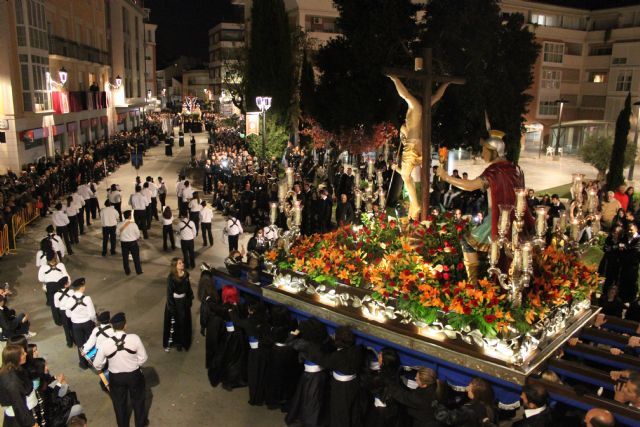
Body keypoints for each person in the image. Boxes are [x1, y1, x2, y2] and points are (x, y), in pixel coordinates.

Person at [437, 130, 534, 283]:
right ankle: (492, 278)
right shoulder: (514, 168)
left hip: (497, 219)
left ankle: (474, 283)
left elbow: (470, 186)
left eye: (484, 150)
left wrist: (446, 177)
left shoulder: (494, 171)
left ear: (493, 152)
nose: (482, 153)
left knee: (468, 243)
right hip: (516, 219)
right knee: (501, 252)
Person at [93, 312, 149, 427]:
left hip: (116, 378)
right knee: (138, 400)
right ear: (125, 325)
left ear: (112, 327)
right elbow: (143, 358)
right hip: (134, 375)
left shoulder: (105, 344)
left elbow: (97, 364)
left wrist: (106, 363)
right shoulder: (135, 338)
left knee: (119, 403)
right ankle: (140, 423)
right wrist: (134, 365)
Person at [304, 326, 363, 427]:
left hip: (341, 387)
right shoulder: (357, 351)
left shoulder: (338, 356)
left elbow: (324, 361)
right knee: (352, 409)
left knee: (339, 411)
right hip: (353, 384)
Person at [0, 344, 38, 427]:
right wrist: (32, 423)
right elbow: (19, 406)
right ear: (15, 358)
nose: (26, 354)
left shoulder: (9, 369)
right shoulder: (12, 382)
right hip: (17, 420)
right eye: (23, 353)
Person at [63, 278, 96, 370]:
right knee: (91, 342)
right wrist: (94, 321)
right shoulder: (87, 299)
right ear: (82, 287)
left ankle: (83, 363)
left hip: (76, 325)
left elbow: (68, 314)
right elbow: (92, 314)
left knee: (80, 344)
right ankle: (93, 361)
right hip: (88, 323)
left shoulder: (69, 300)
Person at [163, 258, 194, 352]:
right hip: (175, 304)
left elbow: (188, 288)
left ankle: (184, 342)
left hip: (184, 303)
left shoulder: (186, 274)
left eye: (182, 263)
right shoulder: (171, 278)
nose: (182, 264)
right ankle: (177, 343)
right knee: (176, 325)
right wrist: (172, 308)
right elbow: (169, 294)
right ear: (175, 266)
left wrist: (189, 299)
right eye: (179, 263)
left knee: (184, 323)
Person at [38, 253, 70, 325]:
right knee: (64, 301)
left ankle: (58, 321)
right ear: (55, 259)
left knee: (53, 304)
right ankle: (66, 318)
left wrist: (47, 280)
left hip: (50, 287)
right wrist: (68, 283)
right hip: (61, 285)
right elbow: (66, 275)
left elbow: (40, 279)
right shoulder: (61, 265)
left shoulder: (43, 267)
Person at [619, 222, 640, 303]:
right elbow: (620, 247)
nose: (630, 231)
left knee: (632, 282)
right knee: (623, 281)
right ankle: (622, 299)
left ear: (636, 229)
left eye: (631, 230)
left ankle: (632, 301)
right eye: (628, 230)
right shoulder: (625, 237)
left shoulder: (638, 239)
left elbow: (636, 250)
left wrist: (625, 247)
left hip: (633, 265)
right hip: (624, 264)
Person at [118, 210, 143, 276]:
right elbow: (138, 234)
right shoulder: (133, 224)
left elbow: (117, 233)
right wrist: (136, 238)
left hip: (123, 243)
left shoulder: (119, 224)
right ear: (130, 216)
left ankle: (127, 271)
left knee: (125, 258)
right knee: (136, 258)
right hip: (133, 243)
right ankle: (138, 271)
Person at [53, 276, 75, 348]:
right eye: (67, 282)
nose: (69, 283)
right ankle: (76, 340)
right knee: (73, 326)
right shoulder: (71, 292)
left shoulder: (56, 294)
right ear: (65, 285)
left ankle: (69, 342)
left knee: (66, 328)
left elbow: (57, 306)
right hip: (71, 310)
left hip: (63, 312)